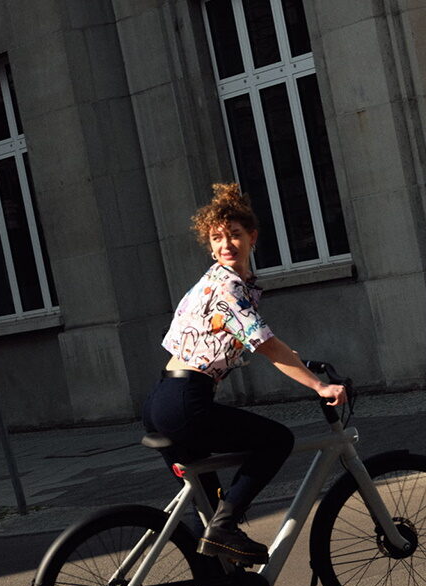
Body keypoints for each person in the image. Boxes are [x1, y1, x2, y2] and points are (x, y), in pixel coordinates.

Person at [142, 183, 347, 565]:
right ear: (210, 244)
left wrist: (295, 360)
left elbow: (229, 337)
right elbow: (266, 345)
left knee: (210, 509)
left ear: (252, 236)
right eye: (217, 238)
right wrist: (319, 385)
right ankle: (225, 529)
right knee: (275, 441)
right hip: (186, 402)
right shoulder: (228, 286)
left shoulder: (211, 283)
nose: (226, 244)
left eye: (234, 235)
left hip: (162, 401)